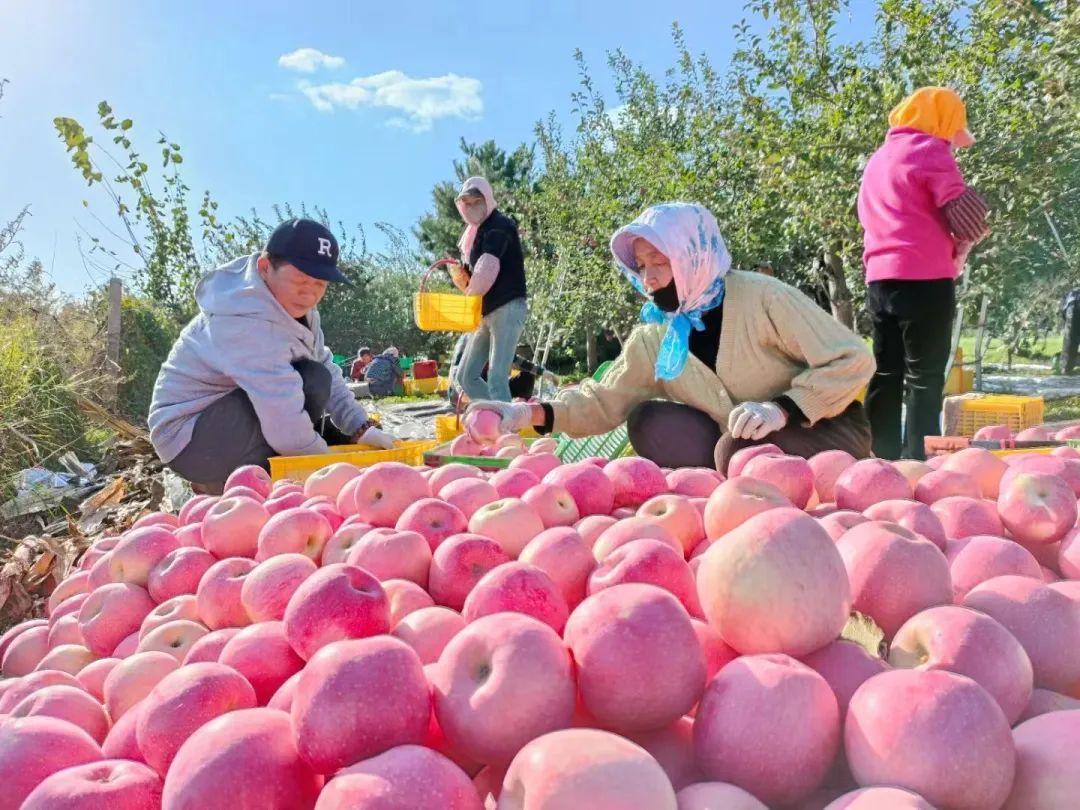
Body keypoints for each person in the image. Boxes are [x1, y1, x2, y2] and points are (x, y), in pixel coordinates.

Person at [465, 203, 875, 472]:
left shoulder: (763, 298)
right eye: (642, 266)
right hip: (740, 446)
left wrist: (782, 409)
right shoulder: (656, 336)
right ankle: (727, 494)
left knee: (737, 451)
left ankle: (767, 481)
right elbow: (603, 400)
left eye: (660, 262)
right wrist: (525, 414)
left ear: (693, 255)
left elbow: (853, 359)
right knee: (648, 421)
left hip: (822, 429)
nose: (649, 278)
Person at [148, 218, 395, 493]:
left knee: (316, 377)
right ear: (265, 267)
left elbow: (323, 365)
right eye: (300, 280)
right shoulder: (243, 321)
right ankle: (220, 481)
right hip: (189, 438)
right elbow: (282, 416)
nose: (309, 294)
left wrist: (360, 426)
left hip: (233, 413)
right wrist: (328, 469)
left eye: (320, 284)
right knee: (302, 393)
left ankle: (257, 468)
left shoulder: (299, 310)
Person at [859, 86, 990, 460]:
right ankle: (918, 460)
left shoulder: (878, 160)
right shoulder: (930, 149)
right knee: (925, 377)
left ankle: (879, 457)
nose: (952, 143)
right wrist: (975, 228)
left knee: (886, 371)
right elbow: (962, 212)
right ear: (943, 122)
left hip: (879, 279)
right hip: (924, 278)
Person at [447, 176, 528, 403]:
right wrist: (463, 274)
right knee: (466, 377)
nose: (472, 207)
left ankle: (506, 423)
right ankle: (496, 415)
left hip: (507, 307)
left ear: (488, 199)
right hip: (486, 311)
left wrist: (469, 295)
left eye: (477, 201)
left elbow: (488, 268)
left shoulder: (499, 225)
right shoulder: (477, 233)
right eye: (467, 203)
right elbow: (477, 276)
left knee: (497, 378)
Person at [447, 334, 552, 407]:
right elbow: (456, 371)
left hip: (491, 389)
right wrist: (463, 391)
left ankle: (519, 407)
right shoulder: (468, 340)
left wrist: (542, 372)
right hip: (467, 392)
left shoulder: (495, 337)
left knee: (528, 376)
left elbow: (515, 360)